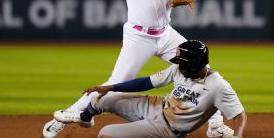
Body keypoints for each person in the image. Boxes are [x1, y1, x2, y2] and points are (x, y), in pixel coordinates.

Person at [43, 0, 233, 138]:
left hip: (166, 34)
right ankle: (71, 114)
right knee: (116, 82)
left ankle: (215, 126)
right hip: (138, 36)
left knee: (204, 72)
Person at [54, 40, 247, 138]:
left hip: (168, 129)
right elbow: (146, 82)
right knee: (100, 99)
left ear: (196, 64)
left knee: (106, 133)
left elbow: (239, 115)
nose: (178, 65)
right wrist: (110, 86)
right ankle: (85, 119)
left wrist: (237, 136)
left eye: (183, 63)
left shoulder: (219, 86)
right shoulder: (179, 69)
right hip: (157, 107)